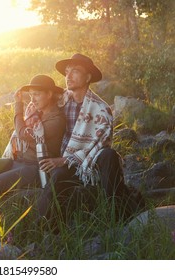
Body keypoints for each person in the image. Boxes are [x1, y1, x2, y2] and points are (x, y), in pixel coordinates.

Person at [37, 53, 142, 226]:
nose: (68, 76)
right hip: (67, 163)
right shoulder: (62, 100)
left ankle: (117, 218)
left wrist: (64, 160)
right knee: (56, 181)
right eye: (67, 71)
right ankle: (46, 231)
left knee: (109, 154)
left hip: (89, 163)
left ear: (87, 77)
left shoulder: (101, 109)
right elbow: (36, 103)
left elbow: (98, 145)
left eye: (75, 71)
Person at [0, 74, 66, 199]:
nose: (33, 99)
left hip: (35, 168)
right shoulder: (36, 114)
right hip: (19, 161)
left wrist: (18, 106)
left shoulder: (56, 120)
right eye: (31, 95)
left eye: (37, 94)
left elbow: (22, 134)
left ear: (49, 94)